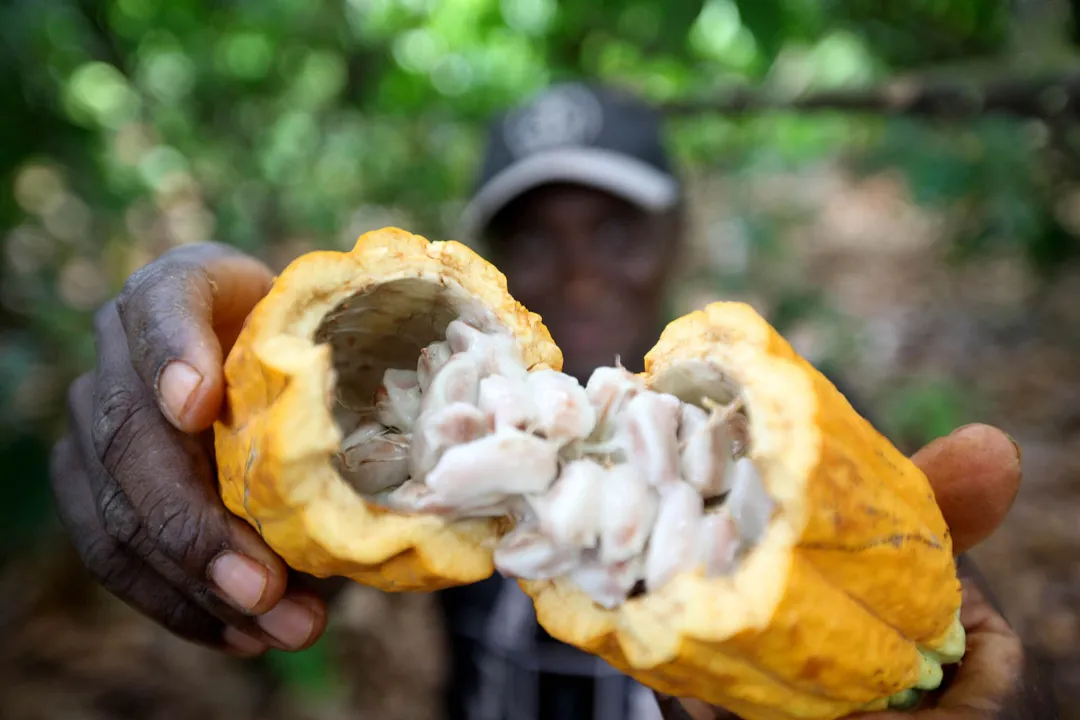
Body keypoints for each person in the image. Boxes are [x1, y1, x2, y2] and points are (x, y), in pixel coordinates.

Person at [49, 82, 1055, 719]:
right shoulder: (451, 520)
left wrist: (935, 662)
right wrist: (218, 448)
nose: (576, 273)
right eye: (534, 236)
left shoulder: (843, 429)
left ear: (676, 234)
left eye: (613, 226)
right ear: (491, 256)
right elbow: (311, 556)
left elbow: (947, 636)